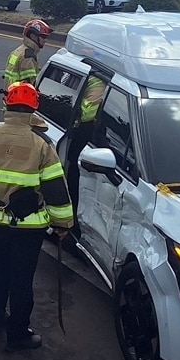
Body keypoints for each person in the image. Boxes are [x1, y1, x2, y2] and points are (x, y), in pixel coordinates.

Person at [0, 82, 74, 350]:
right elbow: (55, 188)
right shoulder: (41, 144)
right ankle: (18, 334)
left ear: (7, 106)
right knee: (22, 279)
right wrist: (63, 224)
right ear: (34, 108)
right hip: (30, 227)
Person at [65, 74, 108, 238]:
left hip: (81, 134)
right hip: (84, 134)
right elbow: (87, 114)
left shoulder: (91, 76)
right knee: (73, 177)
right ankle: (72, 225)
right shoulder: (100, 83)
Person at [4, 19, 51, 88]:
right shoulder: (28, 57)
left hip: (10, 92)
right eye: (43, 37)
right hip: (20, 94)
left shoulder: (18, 51)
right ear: (33, 36)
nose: (45, 40)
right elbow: (31, 85)